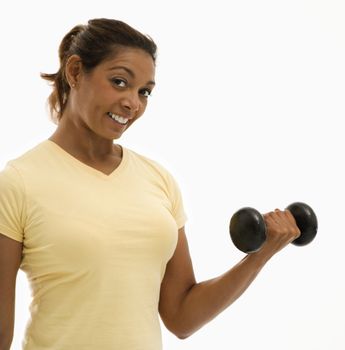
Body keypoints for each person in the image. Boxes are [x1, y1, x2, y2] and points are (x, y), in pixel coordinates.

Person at [0, 18, 301, 350]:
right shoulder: (19, 182)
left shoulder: (158, 180)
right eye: (119, 82)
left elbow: (182, 317)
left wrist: (260, 255)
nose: (134, 103)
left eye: (144, 92)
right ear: (74, 72)